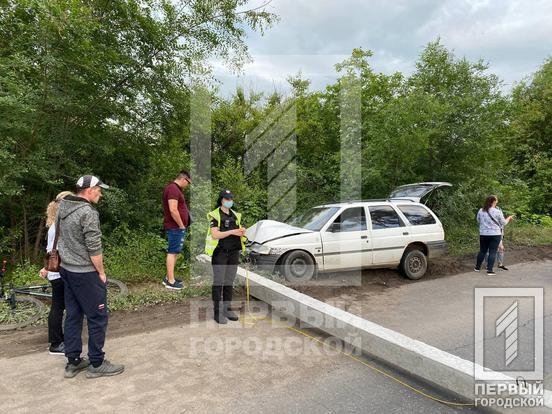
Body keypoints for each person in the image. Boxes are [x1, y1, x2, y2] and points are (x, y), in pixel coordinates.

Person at [58, 175, 124, 378]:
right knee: (97, 317)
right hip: (85, 273)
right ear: (88, 190)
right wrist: (102, 272)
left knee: (73, 315)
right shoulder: (87, 212)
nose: (100, 193)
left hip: (66, 270)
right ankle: (96, 363)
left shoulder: (64, 206)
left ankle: (73, 362)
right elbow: (94, 248)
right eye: (98, 189)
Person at [38, 191, 73, 356]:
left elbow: (49, 250)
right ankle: (56, 343)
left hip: (56, 272)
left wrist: (46, 268)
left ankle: (60, 340)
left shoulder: (54, 225)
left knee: (59, 306)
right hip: (60, 273)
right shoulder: (58, 226)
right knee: (58, 307)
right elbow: (57, 250)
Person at [205, 189, 246, 324]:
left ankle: (227, 309)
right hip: (220, 253)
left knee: (229, 281)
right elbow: (215, 235)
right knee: (219, 283)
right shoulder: (215, 215)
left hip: (234, 253)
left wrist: (241, 231)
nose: (229, 201)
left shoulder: (235, 215)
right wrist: (233, 231)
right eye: (227, 199)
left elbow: (237, 231)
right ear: (221, 200)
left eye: (231, 199)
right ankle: (217, 313)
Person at [162, 170, 191, 290]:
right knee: (172, 252)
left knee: (175, 252)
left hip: (176, 227)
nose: (188, 185)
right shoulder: (173, 189)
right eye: (188, 182)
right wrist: (181, 225)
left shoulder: (175, 189)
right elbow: (173, 210)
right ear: (184, 179)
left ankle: (169, 276)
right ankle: (171, 282)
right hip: (175, 227)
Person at [475, 195, 513, 276]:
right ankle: (489, 270)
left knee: (482, 251)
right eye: (497, 200)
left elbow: (478, 220)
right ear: (493, 201)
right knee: (492, 252)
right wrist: (509, 218)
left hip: (483, 234)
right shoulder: (497, 211)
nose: (497, 201)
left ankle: (477, 268)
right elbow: (504, 223)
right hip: (495, 234)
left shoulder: (481, 210)